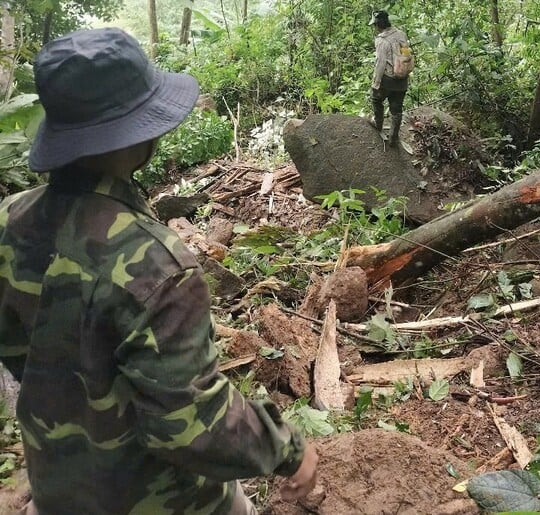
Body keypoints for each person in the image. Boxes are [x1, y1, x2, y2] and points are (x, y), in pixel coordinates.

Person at [0, 27, 317, 514]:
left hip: (57, 487)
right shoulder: (157, 264)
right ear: (137, 132)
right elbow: (194, 426)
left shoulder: (9, 221)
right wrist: (290, 449)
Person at [368, 10, 410, 147]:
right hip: (402, 79)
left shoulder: (381, 41)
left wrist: (376, 83)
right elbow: (406, 56)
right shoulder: (401, 34)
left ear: (378, 25)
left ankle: (378, 123)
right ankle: (393, 137)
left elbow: (380, 64)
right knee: (397, 109)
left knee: (376, 99)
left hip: (388, 80)